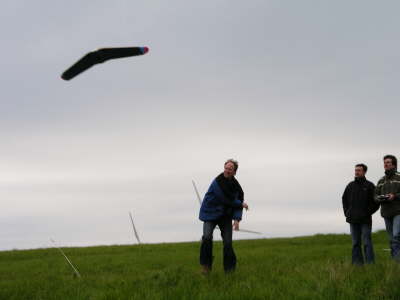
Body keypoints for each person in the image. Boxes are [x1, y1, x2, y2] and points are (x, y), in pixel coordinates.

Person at [199, 159, 249, 274]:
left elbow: (237, 202)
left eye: (230, 169)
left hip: (225, 216)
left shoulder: (237, 187)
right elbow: (225, 198)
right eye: (226, 168)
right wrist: (240, 204)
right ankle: (206, 266)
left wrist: (237, 219)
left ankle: (229, 270)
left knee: (227, 243)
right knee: (206, 237)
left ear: (234, 172)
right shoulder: (217, 182)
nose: (227, 170)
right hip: (210, 213)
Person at [342, 163, 379, 265]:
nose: (356, 172)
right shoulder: (350, 185)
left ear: (364, 172)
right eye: (356, 170)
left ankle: (370, 264)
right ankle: (357, 265)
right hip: (352, 219)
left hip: (365, 220)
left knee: (367, 243)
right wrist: (347, 212)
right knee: (355, 243)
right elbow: (344, 199)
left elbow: (376, 202)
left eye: (359, 170)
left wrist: (367, 212)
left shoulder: (370, 185)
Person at [375, 155, 400, 260]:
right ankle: (395, 262)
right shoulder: (381, 180)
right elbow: (375, 196)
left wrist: (394, 196)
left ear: (393, 164)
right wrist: (380, 198)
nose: (386, 164)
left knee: (396, 235)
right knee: (391, 238)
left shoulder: (399, 177)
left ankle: (397, 260)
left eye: (388, 162)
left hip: (398, 211)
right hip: (386, 212)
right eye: (385, 162)